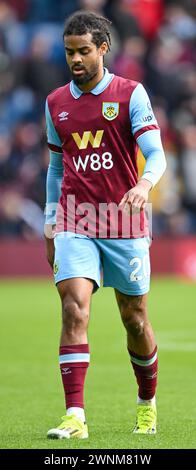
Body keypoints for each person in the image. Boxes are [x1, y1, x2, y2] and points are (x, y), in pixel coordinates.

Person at [44, 10, 166, 439]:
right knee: (74, 307)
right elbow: (57, 167)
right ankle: (75, 416)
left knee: (134, 319)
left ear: (102, 48)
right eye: (68, 52)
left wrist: (144, 185)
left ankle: (146, 403)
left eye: (82, 51)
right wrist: (49, 220)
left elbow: (156, 153)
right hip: (76, 219)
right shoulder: (55, 103)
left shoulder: (130, 94)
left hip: (124, 221)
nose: (74, 59)